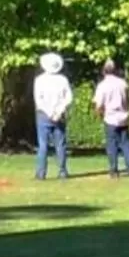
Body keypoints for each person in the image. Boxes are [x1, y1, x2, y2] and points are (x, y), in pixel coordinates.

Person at [92, 59, 129, 178]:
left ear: (103, 71)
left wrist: (99, 114)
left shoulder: (102, 85)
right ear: (115, 70)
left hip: (110, 117)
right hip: (123, 117)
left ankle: (114, 170)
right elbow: (128, 100)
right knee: (126, 143)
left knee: (112, 145)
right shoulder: (123, 83)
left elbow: (99, 104)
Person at [33, 52, 73, 180]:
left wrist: (49, 112)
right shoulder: (63, 79)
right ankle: (62, 171)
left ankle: (41, 172)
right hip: (59, 115)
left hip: (44, 115)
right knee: (60, 144)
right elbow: (69, 98)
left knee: (43, 145)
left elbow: (39, 100)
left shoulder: (39, 80)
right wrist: (59, 111)